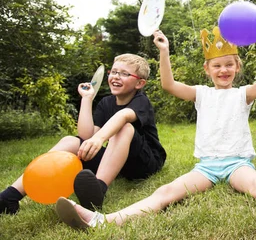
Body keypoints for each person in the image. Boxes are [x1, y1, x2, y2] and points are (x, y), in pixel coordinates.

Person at [55, 26, 256, 229]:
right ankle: (103, 220)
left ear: (237, 67)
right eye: (217, 66)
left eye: (229, 65)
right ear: (207, 69)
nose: (223, 70)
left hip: (237, 164)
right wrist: (163, 51)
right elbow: (169, 85)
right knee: (166, 192)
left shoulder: (242, 93)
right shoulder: (201, 93)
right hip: (206, 167)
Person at [0, 54, 166, 215]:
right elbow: (86, 135)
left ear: (139, 83)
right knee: (70, 141)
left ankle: (98, 191)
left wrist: (99, 139)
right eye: (114, 72)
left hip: (144, 163)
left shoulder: (141, 100)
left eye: (124, 74)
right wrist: (87, 99)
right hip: (117, 162)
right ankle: (10, 196)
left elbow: (122, 117)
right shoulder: (106, 102)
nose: (116, 76)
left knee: (124, 127)